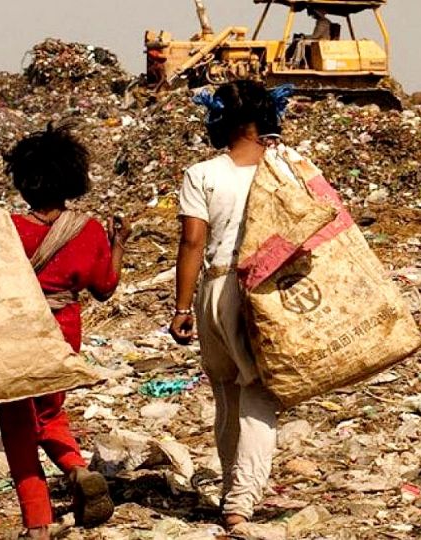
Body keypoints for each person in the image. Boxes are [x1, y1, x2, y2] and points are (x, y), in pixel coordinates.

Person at [0, 123, 130, 540]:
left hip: (19, 331)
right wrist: (118, 244)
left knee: (18, 422)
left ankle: (37, 521)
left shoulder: (7, 230)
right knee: (50, 412)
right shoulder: (88, 230)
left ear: (23, 180)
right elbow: (105, 288)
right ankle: (76, 469)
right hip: (64, 331)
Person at [170, 80, 291, 533]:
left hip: (215, 290)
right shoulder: (285, 169)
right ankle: (240, 502)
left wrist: (182, 308)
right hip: (265, 291)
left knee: (226, 391)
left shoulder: (203, 173)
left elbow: (193, 242)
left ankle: (228, 489)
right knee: (259, 391)